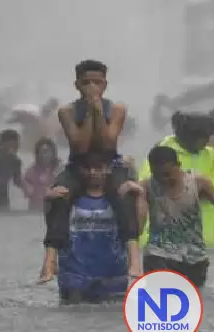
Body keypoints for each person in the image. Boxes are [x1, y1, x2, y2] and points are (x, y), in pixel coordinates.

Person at [39, 59, 140, 283]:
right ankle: (49, 261)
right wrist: (90, 111)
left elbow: (107, 144)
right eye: (86, 83)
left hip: (109, 165)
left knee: (125, 195)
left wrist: (97, 108)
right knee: (60, 196)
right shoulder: (67, 111)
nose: (92, 87)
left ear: (105, 84)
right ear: (77, 85)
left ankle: (134, 259)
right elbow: (80, 145)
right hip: (79, 166)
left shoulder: (117, 109)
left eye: (98, 82)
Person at [140, 145, 214, 288]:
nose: (163, 180)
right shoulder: (146, 187)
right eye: (157, 176)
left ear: (178, 166)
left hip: (194, 257)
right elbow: (137, 226)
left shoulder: (197, 182)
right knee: (162, 301)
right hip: (158, 255)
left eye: (168, 174)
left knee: (193, 302)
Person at [57, 152, 140, 304]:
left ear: (109, 170)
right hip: (75, 276)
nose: (93, 173)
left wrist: (140, 193)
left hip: (113, 275)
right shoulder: (68, 197)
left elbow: (138, 226)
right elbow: (55, 226)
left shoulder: (120, 200)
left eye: (99, 168)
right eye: (88, 169)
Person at [138, 112, 214, 249]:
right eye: (204, 137)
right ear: (190, 136)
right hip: (164, 244)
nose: (208, 140)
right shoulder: (163, 152)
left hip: (207, 241)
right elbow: (147, 187)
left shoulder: (212, 156)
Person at [24, 138, 62, 211]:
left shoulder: (61, 169)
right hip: (36, 212)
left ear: (53, 153)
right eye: (42, 152)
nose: (45, 155)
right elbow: (28, 192)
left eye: (47, 151)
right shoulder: (31, 172)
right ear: (37, 154)